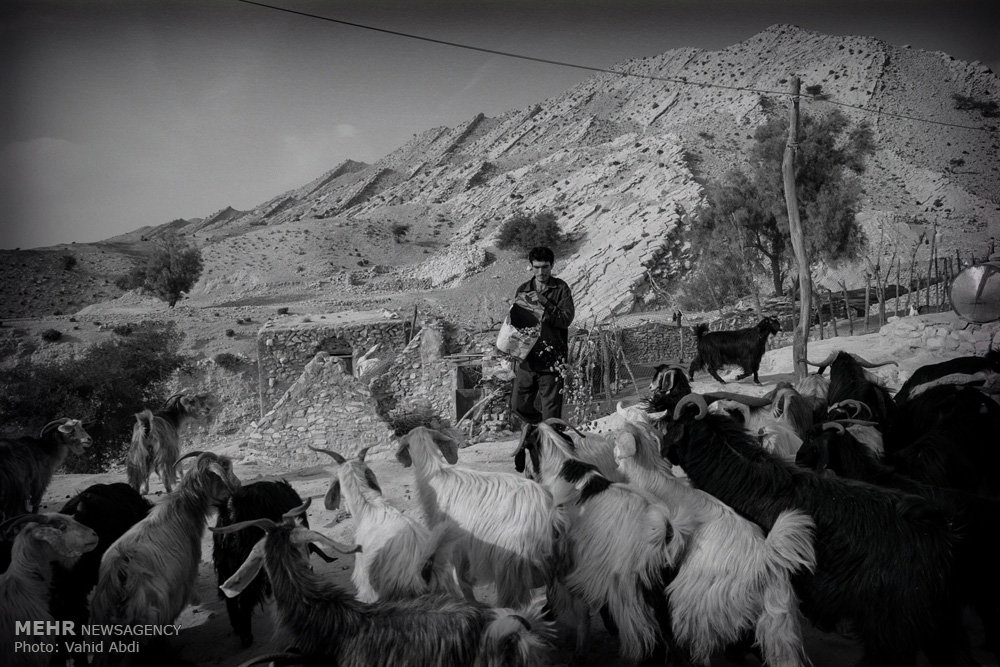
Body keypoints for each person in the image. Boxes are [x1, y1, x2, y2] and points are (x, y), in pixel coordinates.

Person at [509, 246, 575, 425]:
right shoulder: (523, 290)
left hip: (552, 362)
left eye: (545, 267)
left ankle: (551, 434)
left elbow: (566, 319)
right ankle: (540, 426)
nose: (541, 272)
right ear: (531, 266)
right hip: (527, 360)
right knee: (517, 406)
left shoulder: (561, 288)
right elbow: (516, 325)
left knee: (551, 416)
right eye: (536, 267)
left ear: (552, 266)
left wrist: (544, 303)